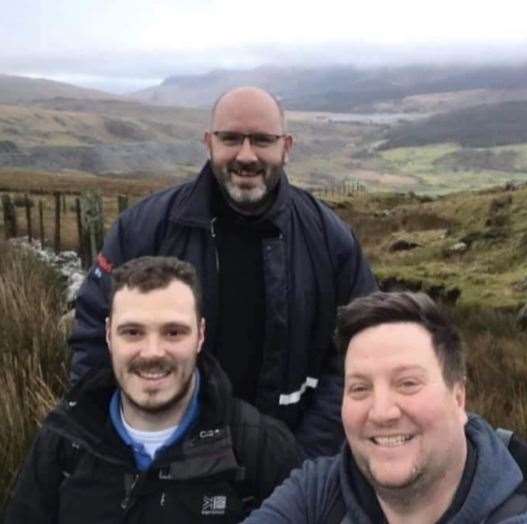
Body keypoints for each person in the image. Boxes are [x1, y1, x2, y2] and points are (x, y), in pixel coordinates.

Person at [69, 86, 377, 457]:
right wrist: (129, 450)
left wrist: (299, 462)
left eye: (263, 140)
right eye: (230, 138)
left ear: (287, 146)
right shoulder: (144, 228)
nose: (246, 155)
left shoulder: (331, 240)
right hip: (164, 465)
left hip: (290, 470)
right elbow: (94, 338)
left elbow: (361, 353)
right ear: (208, 143)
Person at [6, 257, 302, 523]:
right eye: (132, 332)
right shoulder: (63, 443)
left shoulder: (260, 449)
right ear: (108, 335)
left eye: (173, 332)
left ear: (200, 335)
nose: (152, 352)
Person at [243, 291, 527, 524]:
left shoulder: (520, 515)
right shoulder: (320, 490)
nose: (382, 412)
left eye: (407, 384)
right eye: (360, 388)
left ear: (459, 397)